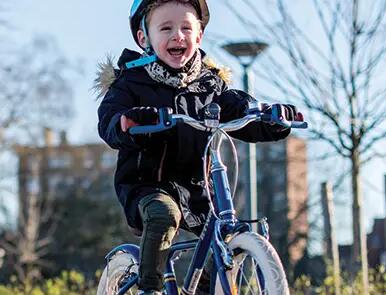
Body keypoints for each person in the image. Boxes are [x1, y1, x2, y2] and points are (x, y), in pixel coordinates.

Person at [95, 0, 302, 294]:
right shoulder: (130, 83)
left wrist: (271, 118)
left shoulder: (211, 86)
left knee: (221, 230)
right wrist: (128, 122)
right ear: (144, 38)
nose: (177, 35)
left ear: (199, 36)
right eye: (165, 28)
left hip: (198, 187)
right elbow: (111, 120)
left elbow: (241, 111)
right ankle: (149, 288)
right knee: (163, 215)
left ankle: (208, 286)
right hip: (148, 184)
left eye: (186, 28)